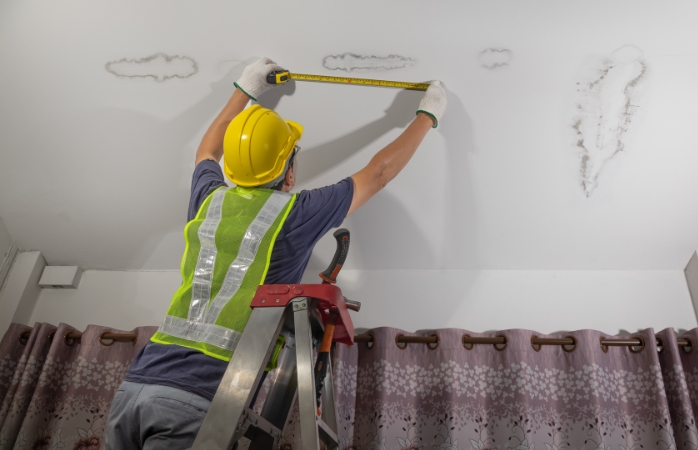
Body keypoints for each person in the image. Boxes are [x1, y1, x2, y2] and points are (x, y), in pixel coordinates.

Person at [104, 57, 447, 449]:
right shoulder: (295, 213)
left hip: (134, 390)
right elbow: (377, 174)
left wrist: (246, 90)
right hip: (196, 398)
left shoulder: (208, 199)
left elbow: (206, 149)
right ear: (289, 172)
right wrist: (428, 115)